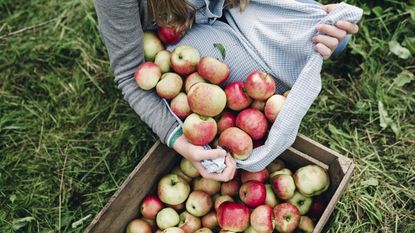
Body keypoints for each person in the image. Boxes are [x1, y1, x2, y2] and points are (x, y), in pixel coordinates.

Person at [94, 0, 359, 181]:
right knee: (243, 85)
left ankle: (310, 35)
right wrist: (180, 140)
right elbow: (130, 74)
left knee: (323, 34)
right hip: (179, 32)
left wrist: (316, 18)